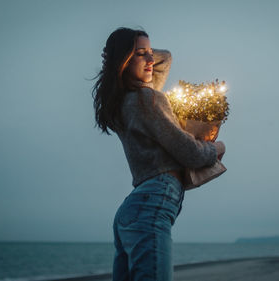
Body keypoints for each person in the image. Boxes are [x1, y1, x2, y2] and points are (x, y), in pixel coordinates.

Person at [92, 27, 226, 281]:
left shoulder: (121, 102)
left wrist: (126, 54)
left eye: (150, 53)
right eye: (141, 54)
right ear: (124, 61)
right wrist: (217, 148)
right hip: (150, 205)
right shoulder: (146, 100)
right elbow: (192, 155)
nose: (152, 60)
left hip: (134, 210)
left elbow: (165, 58)